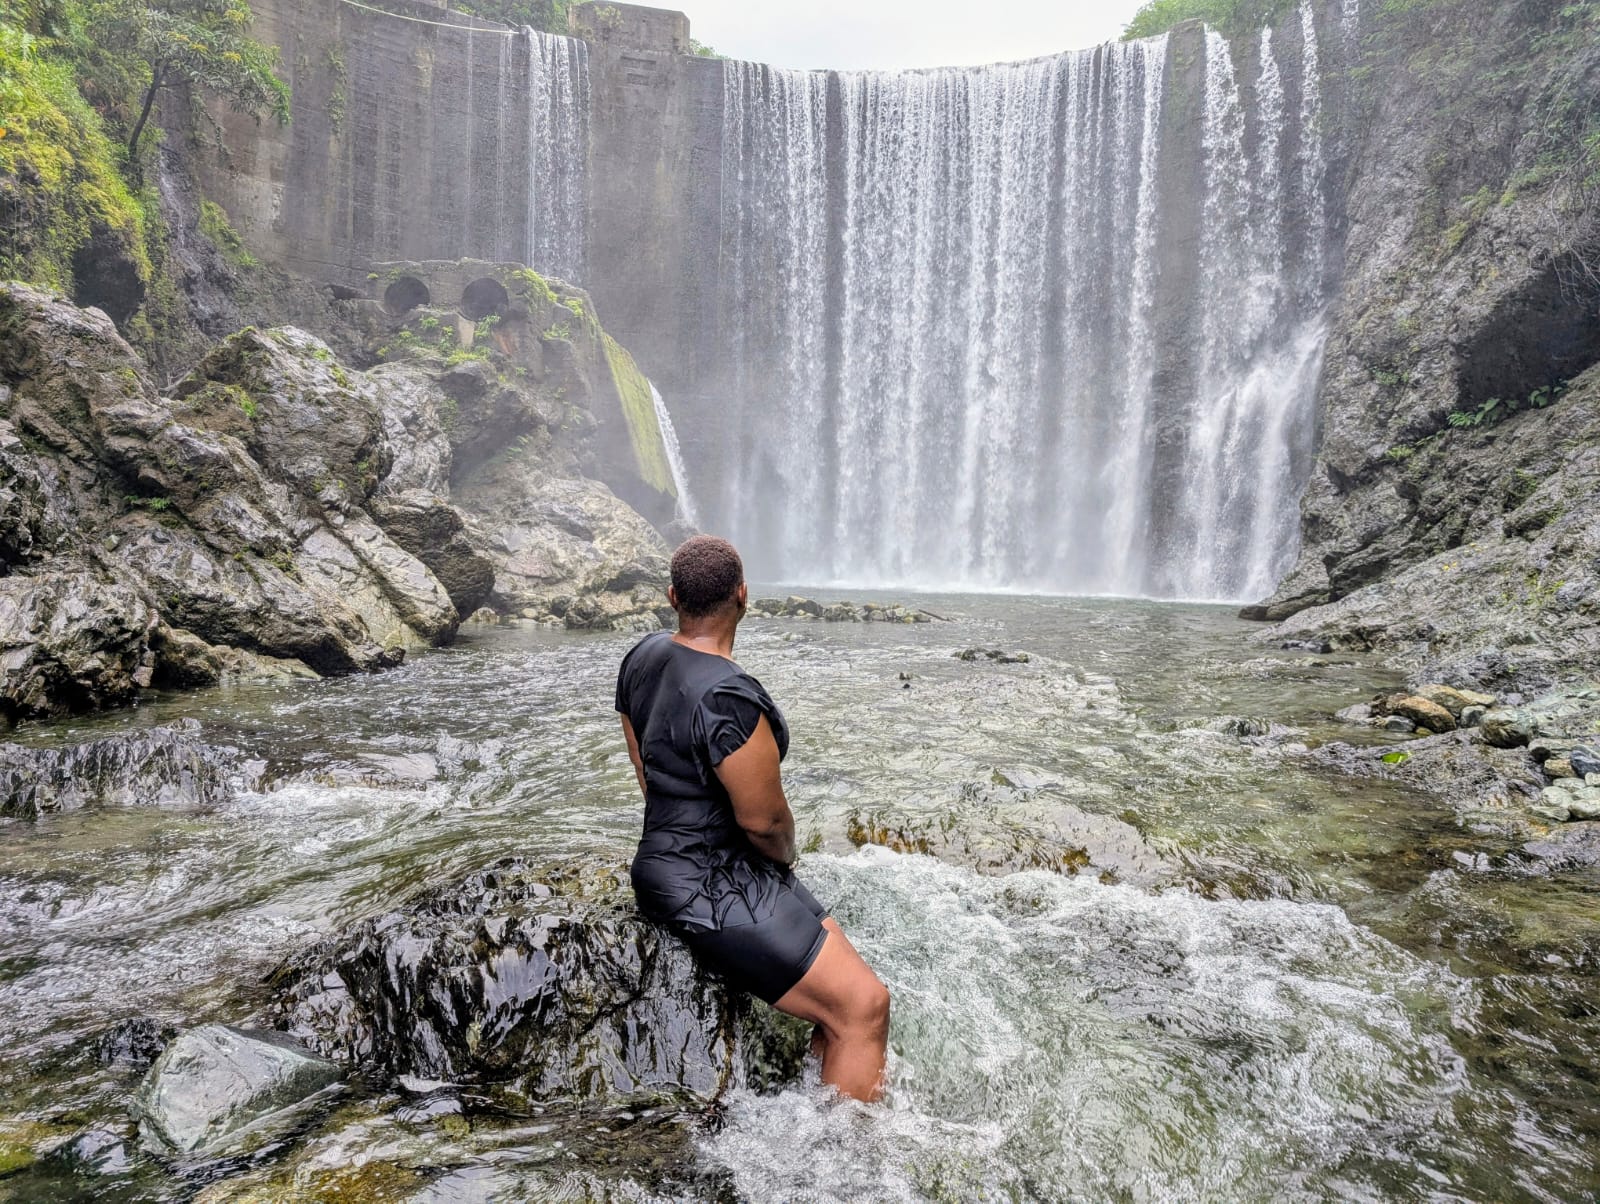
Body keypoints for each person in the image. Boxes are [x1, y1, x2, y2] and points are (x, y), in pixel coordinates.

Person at [614, 535, 890, 1102]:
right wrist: (786, 857)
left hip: (676, 862)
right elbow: (765, 824)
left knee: (836, 957)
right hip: (709, 881)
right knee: (865, 1005)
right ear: (744, 595)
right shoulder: (729, 700)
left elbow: (646, 769)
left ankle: (824, 1099)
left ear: (672, 597)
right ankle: (847, 1161)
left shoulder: (641, 657)